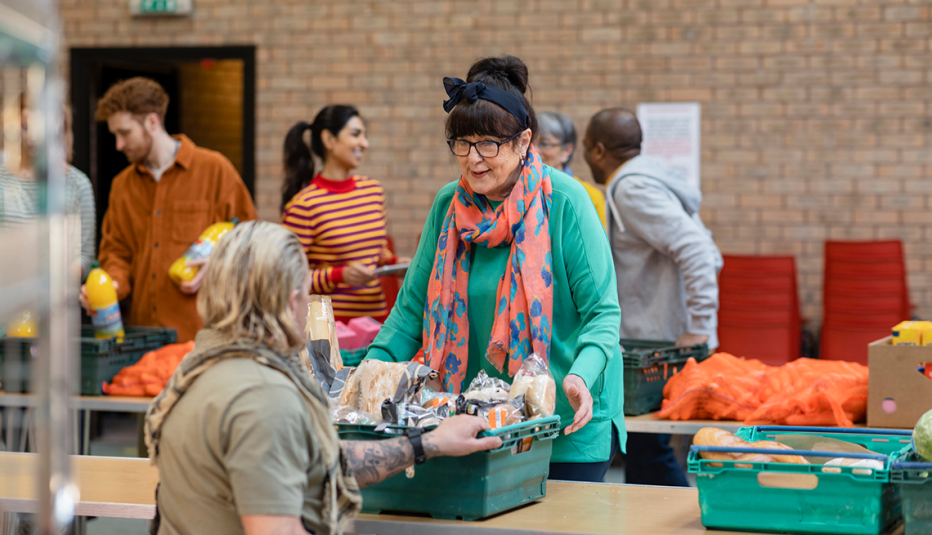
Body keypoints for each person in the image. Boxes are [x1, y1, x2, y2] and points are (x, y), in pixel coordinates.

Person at [144, 220, 501, 535]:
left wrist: (429, 443)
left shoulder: (201, 369)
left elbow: (312, 460)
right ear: (290, 302)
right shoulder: (263, 396)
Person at [365, 56, 626, 483]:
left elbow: (603, 312)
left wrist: (581, 375)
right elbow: (409, 312)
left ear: (523, 142)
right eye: (462, 143)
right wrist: (370, 372)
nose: (473, 159)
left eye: (489, 144)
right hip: (476, 421)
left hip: (564, 419)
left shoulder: (565, 202)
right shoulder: (447, 207)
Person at [583, 107, 722, 487]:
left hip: (661, 344)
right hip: (658, 338)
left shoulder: (631, 188)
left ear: (597, 150)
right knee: (644, 451)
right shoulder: (646, 178)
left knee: (648, 451)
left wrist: (700, 328)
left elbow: (696, 249)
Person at [81, 77, 257, 343]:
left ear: (152, 122)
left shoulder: (215, 170)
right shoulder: (122, 185)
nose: (118, 145)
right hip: (142, 338)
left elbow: (253, 240)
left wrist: (218, 265)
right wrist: (111, 286)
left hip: (203, 339)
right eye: (115, 135)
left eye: (125, 133)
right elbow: (116, 251)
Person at [281, 106, 409, 324]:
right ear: (329, 139)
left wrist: (395, 264)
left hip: (377, 324)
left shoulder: (373, 191)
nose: (364, 144)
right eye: (355, 134)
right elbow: (287, 278)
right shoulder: (304, 205)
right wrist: (339, 275)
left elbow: (376, 255)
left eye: (365, 136)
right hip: (328, 330)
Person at [0, 102, 96, 277]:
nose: (32, 138)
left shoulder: (77, 184)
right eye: (25, 127)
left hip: (53, 296)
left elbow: (85, 257)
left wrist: (55, 281)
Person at [535, 111, 606, 229]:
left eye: (544, 144)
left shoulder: (591, 196)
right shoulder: (516, 190)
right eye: (530, 143)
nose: (535, 151)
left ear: (566, 150)